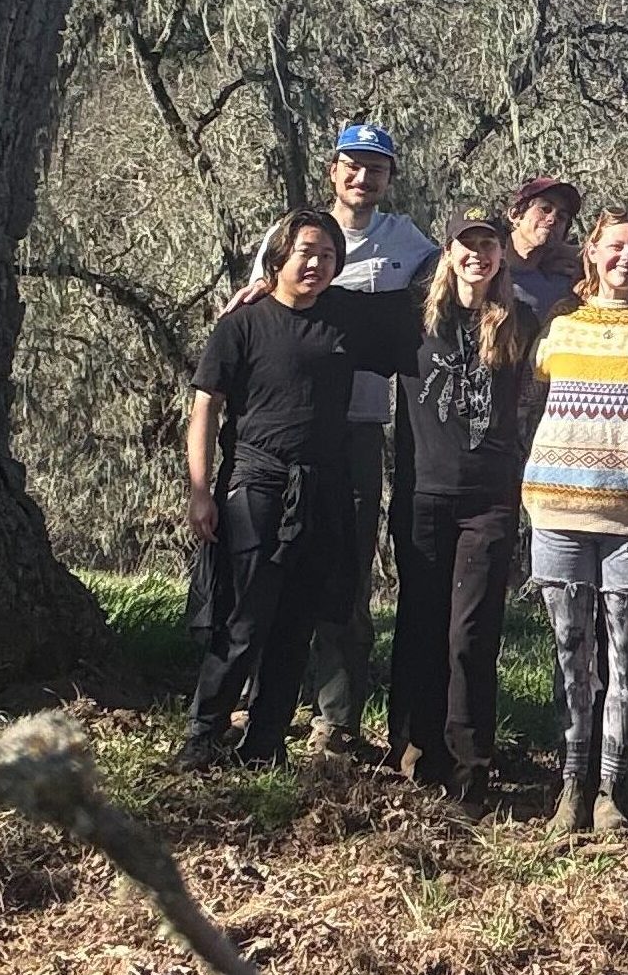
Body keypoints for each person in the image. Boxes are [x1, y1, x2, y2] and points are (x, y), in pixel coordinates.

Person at [181, 209, 416, 770]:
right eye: (307, 252)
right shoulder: (242, 324)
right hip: (255, 482)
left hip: (323, 486)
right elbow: (205, 406)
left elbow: (426, 307)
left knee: (296, 619)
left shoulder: (346, 318)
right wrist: (199, 490)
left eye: (329, 256)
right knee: (241, 618)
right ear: (279, 257)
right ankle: (204, 734)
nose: (316, 264)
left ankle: (265, 740)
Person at [234, 123, 438, 759]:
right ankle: (254, 700)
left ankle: (336, 719)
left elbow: (452, 294)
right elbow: (258, 306)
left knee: (340, 571)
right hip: (278, 426)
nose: (363, 178)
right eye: (352, 165)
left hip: (355, 429)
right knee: (261, 563)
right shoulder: (293, 234)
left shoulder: (408, 243)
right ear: (332, 171)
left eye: (376, 168)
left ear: (389, 178)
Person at [519, 209, 628, 834]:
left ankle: (611, 786)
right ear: (591, 250)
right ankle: (570, 781)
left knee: (621, 656)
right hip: (557, 505)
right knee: (569, 654)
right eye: (615, 246)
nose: (627, 258)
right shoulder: (557, 322)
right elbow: (529, 400)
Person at [386, 205, 539, 816]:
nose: (478, 254)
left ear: (502, 255)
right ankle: (417, 748)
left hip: (489, 500)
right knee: (421, 622)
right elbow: (330, 308)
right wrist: (265, 282)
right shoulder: (410, 318)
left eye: (489, 244)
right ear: (448, 253)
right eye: (466, 244)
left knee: (472, 632)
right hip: (423, 493)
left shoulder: (520, 322)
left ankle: (473, 761)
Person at [505, 176, 586, 320]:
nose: (552, 219)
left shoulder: (565, 282)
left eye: (561, 217)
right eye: (545, 209)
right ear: (515, 215)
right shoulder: (485, 268)